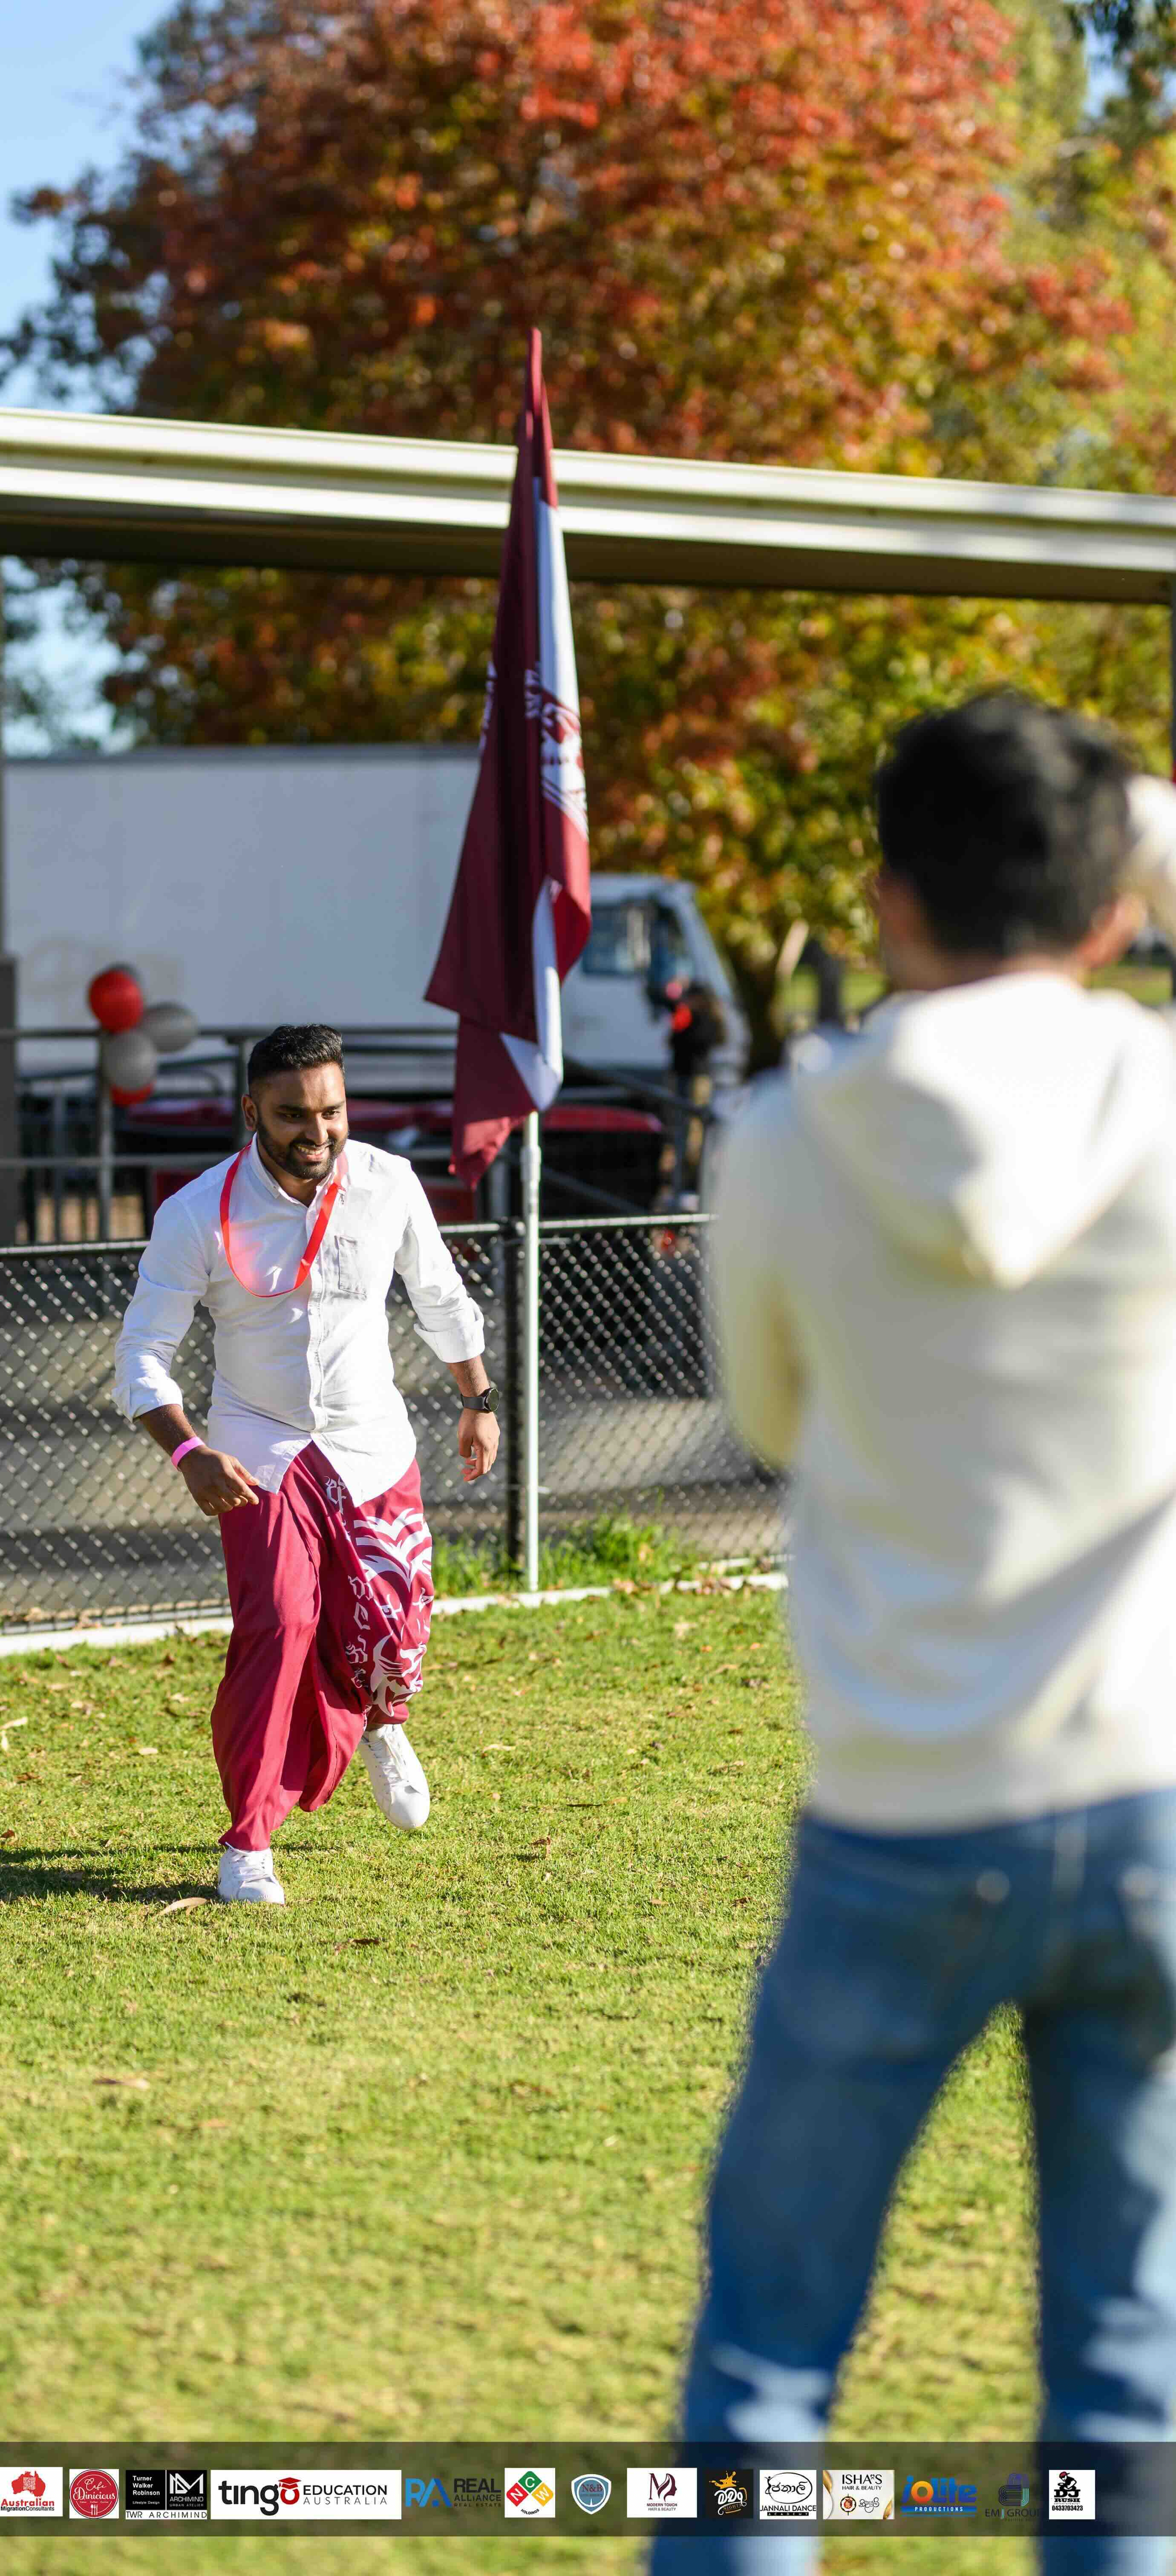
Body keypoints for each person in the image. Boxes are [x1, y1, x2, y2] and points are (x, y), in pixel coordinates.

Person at [656, 696, 1176, 2572]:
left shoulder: (788, 1137)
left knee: (768, 2366)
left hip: (898, 1813)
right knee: (1125, 2375)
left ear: (882, 898)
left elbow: (779, 1427)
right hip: (1146, 1796)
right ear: (1114, 903)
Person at [113, 1023, 498, 1904]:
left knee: (394, 1631)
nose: (315, 1132)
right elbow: (141, 1355)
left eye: (330, 1111)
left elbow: (437, 1295)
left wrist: (476, 1403)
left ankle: (381, 1721)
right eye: (291, 1115)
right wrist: (186, 1451)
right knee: (281, 1625)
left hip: (372, 1444)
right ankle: (248, 1840)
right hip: (256, 1449)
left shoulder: (387, 1183)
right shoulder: (195, 1213)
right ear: (251, 1111)